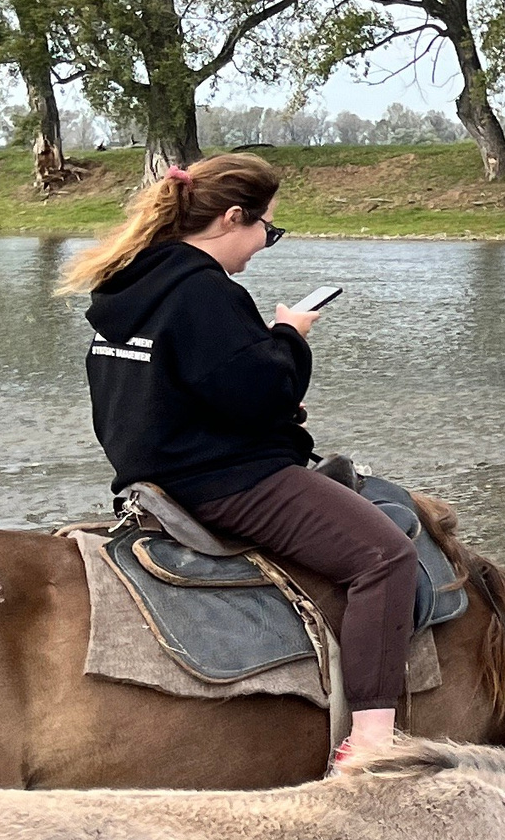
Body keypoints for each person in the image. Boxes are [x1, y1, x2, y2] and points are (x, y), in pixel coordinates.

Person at [63, 153, 417, 774]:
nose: (262, 247)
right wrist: (287, 336)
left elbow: (168, 393)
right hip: (224, 481)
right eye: (267, 231)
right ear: (232, 218)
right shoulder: (205, 292)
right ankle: (371, 743)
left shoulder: (129, 286)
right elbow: (263, 390)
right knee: (386, 556)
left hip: (152, 475)